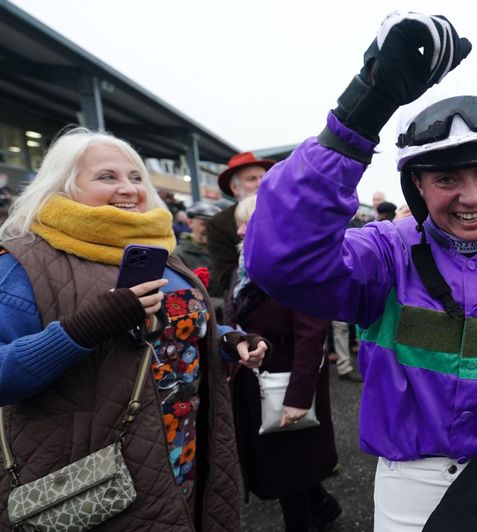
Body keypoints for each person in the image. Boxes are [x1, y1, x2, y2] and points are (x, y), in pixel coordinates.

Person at [242, 12, 477, 529]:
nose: (471, 196)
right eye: (446, 177)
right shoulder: (386, 254)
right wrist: (362, 110)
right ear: (417, 187)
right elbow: (280, 259)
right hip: (411, 490)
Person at [0, 128, 268, 530]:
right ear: (65, 184)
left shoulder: (155, 248)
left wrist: (227, 338)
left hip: (187, 445)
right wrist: (84, 328)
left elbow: (172, 328)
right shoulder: (24, 261)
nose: (128, 188)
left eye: (136, 176)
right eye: (107, 177)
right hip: (93, 468)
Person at [228, 195, 342, 532]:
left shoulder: (299, 269)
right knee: (287, 465)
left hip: (289, 384)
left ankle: (306, 520)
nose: (239, 229)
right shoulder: (246, 266)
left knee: (290, 468)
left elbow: (311, 338)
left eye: (247, 222)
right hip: (256, 380)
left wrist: (298, 398)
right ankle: (323, 506)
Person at [206, 151, 274, 304]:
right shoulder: (219, 223)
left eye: (263, 177)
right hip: (252, 304)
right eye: (251, 179)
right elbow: (227, 276)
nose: (260, 183)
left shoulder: (284, 211)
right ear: (235, 188)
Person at [173, 200, 221, 271]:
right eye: (204, 224)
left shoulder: (223, 250)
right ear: (190, 222)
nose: (210, 229)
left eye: (214, 225)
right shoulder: (179, 255)